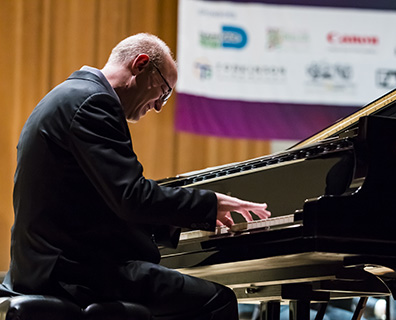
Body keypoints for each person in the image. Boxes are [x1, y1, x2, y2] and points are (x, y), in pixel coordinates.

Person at [1, 33, 271, 320]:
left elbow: (99, 204)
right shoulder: (94, 103)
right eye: (164, 92)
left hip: (48, 265)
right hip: (72, 271)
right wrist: (209, 203)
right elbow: (131, 197)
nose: (158, 106)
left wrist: (176, 225)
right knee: (218, 300)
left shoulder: (68, 97)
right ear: (141, 64)